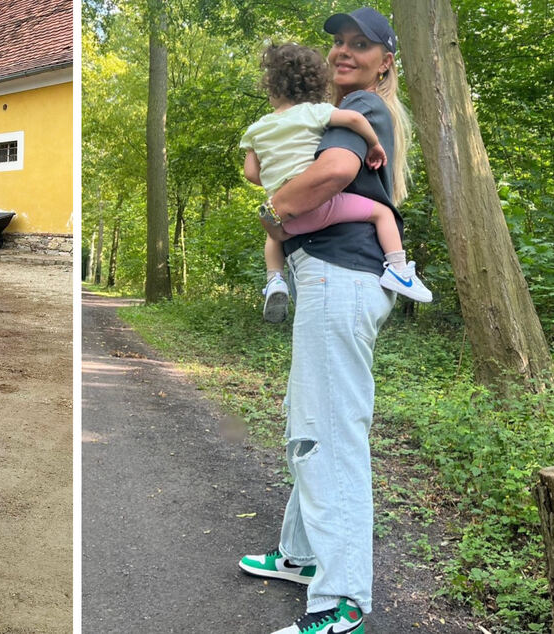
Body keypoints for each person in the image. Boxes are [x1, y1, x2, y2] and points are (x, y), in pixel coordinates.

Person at [238, 8, 413, 633]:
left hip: (339, 278)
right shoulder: (342, 112)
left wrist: (275, 208)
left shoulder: (362, 105)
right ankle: (301, 555)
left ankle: (341, 601)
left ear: (385, 60)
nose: (344, 52)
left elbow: (337, 173)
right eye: (337, 43)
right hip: (332, 277)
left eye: (360, 44)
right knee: (310, 418)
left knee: (329, 432)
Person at [240, 42, 431, 324]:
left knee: (271, 236)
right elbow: (353, 119)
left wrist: (277, 180)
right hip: (323, 205)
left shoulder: (257, 128)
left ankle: (275, 280)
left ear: (272, 89)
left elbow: (251, 173)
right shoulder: (315, 113)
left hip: (288, 221)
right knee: (382, 212)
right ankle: (399, 269)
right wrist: (375, 144)